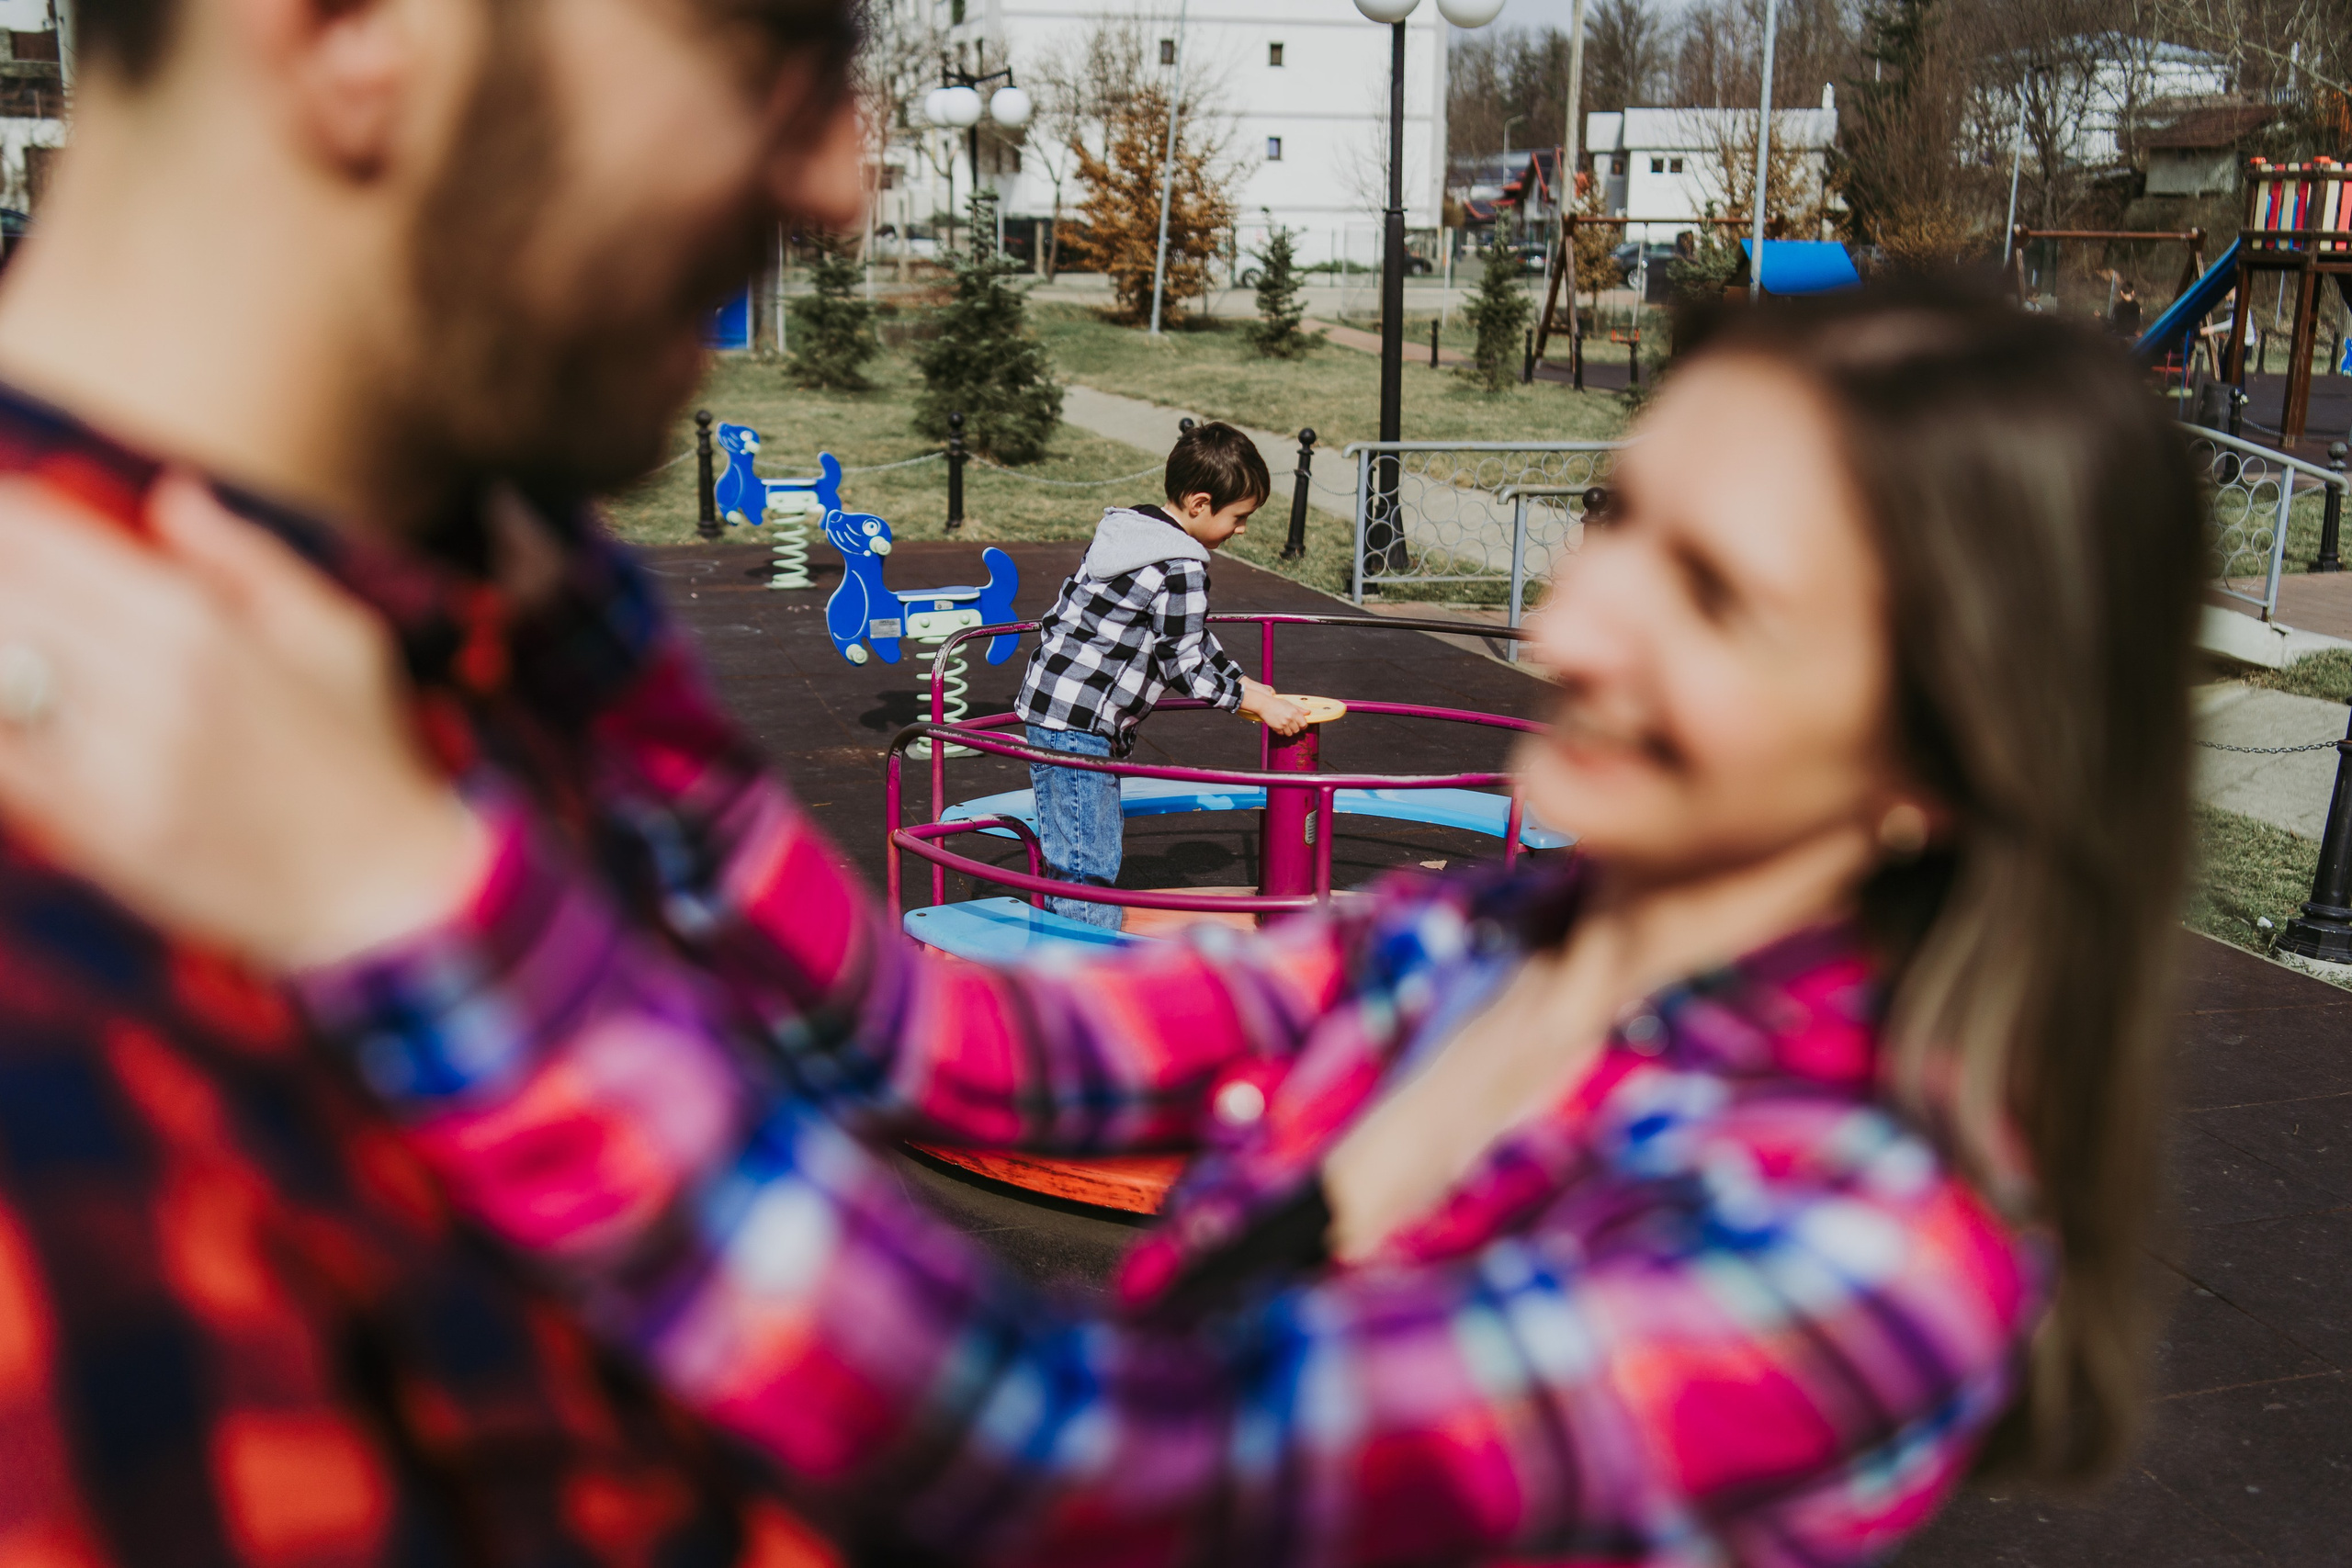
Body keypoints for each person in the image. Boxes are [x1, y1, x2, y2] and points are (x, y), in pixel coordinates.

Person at [0, 278, 2205, 1564]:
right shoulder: (1475, 942)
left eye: (1710, 594)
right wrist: (573, 624)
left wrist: (416, 904)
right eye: (1614, 518)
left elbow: (1082, 1451)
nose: (1576, 612)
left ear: (1940, 755)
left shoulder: (1861, 1250)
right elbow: (951, 1040)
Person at [0, 0, 866, 1562]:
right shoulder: (66, 1020)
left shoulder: (506, 624)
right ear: (351, 31)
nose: (841, 180)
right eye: (767, 48)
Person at [1013, 420, 1309, 928]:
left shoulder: (1133, 535)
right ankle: (1084, 967)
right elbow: (1185, 664)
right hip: (1080, 723)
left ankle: (1071, 944)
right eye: (1238, 517)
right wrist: (1254, 703)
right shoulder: (1182, 565)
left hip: (1054, 705)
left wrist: (1245, 683)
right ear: (1199, 504)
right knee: (1088, 863)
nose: (1241, 530)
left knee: (1077, 848)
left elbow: (1188, 637)